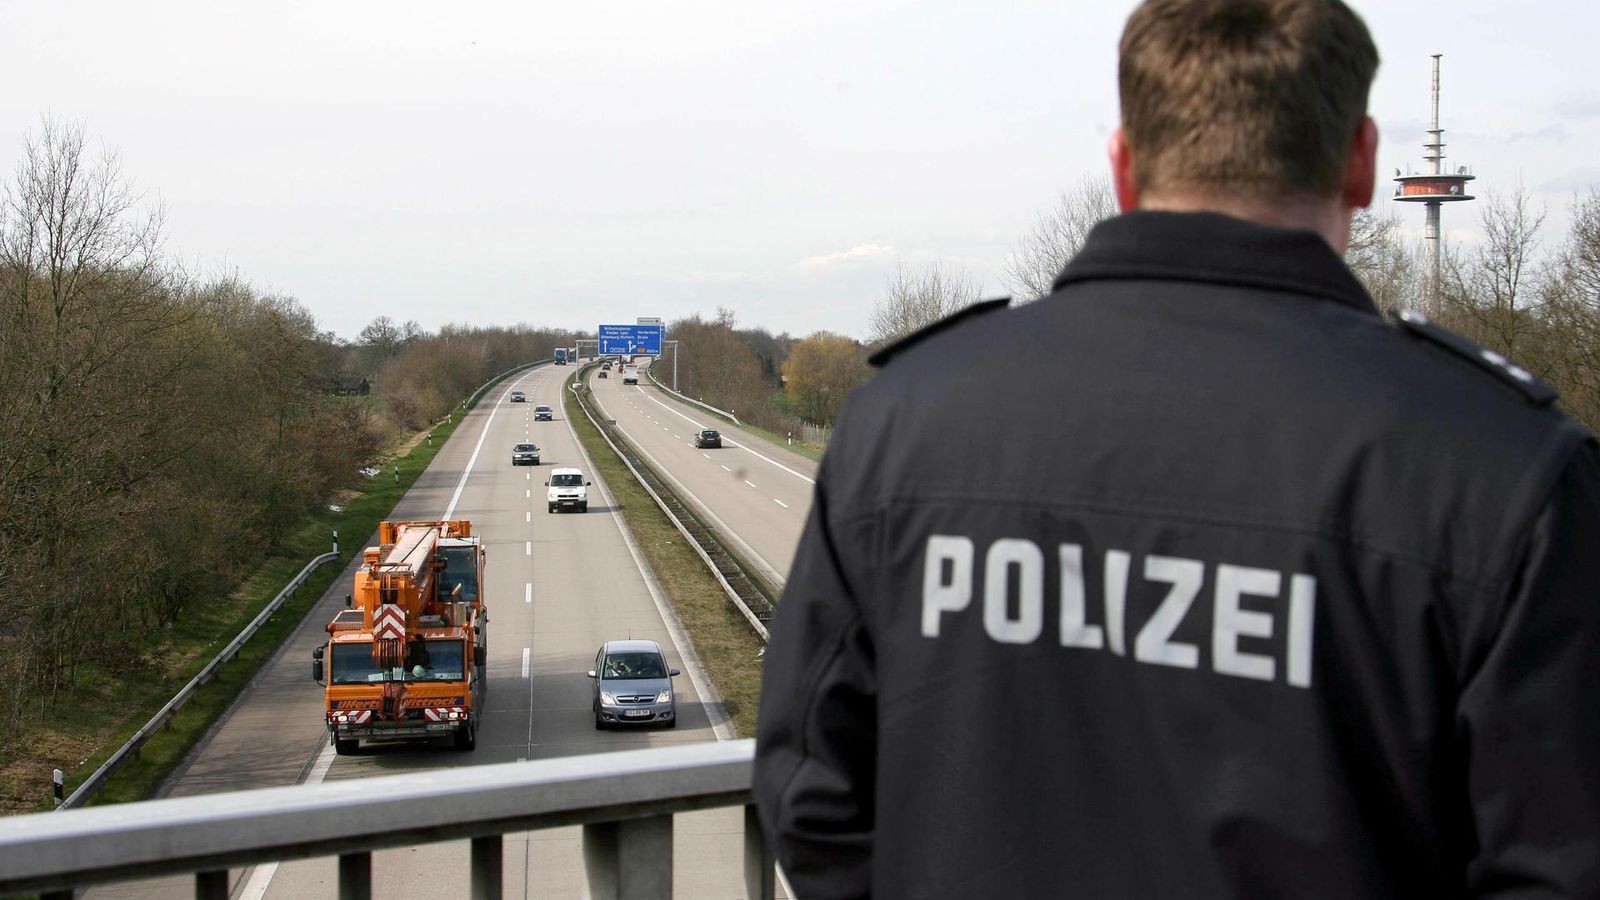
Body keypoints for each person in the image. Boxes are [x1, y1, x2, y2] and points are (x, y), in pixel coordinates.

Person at [752, 0, 1600, 897]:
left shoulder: (902, 422)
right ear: (1362, 161)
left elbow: (814, 800)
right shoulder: (1506, 472)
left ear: (1122, 164)